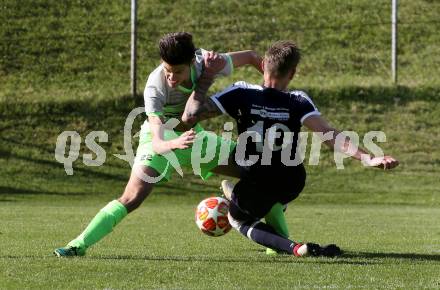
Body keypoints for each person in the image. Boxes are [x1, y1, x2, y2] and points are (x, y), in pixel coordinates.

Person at [53, 32, 263, 257]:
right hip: (163, 140)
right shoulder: (155, 87)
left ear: (192, 62)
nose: (171, 77)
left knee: (260, 172)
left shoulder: (206, 62)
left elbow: (251, 57)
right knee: (132, 197)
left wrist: (274, 91)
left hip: (193, 137)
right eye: (167, 70)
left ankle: (279, 244)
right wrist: (174, 142)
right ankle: (78, 245)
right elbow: (158, 142)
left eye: (178, 71)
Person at [181, 40, 399, 257]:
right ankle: (263, 203)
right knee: (262, 189)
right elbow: (330, 135)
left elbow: (190, 115)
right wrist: (368, 158)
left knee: (237, 219)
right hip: (291, 180)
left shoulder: (240, 93)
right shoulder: (298, 100)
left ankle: (294, 247)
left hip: (258, 178)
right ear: (292, 73)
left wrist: (207, 77)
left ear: (264, 63)